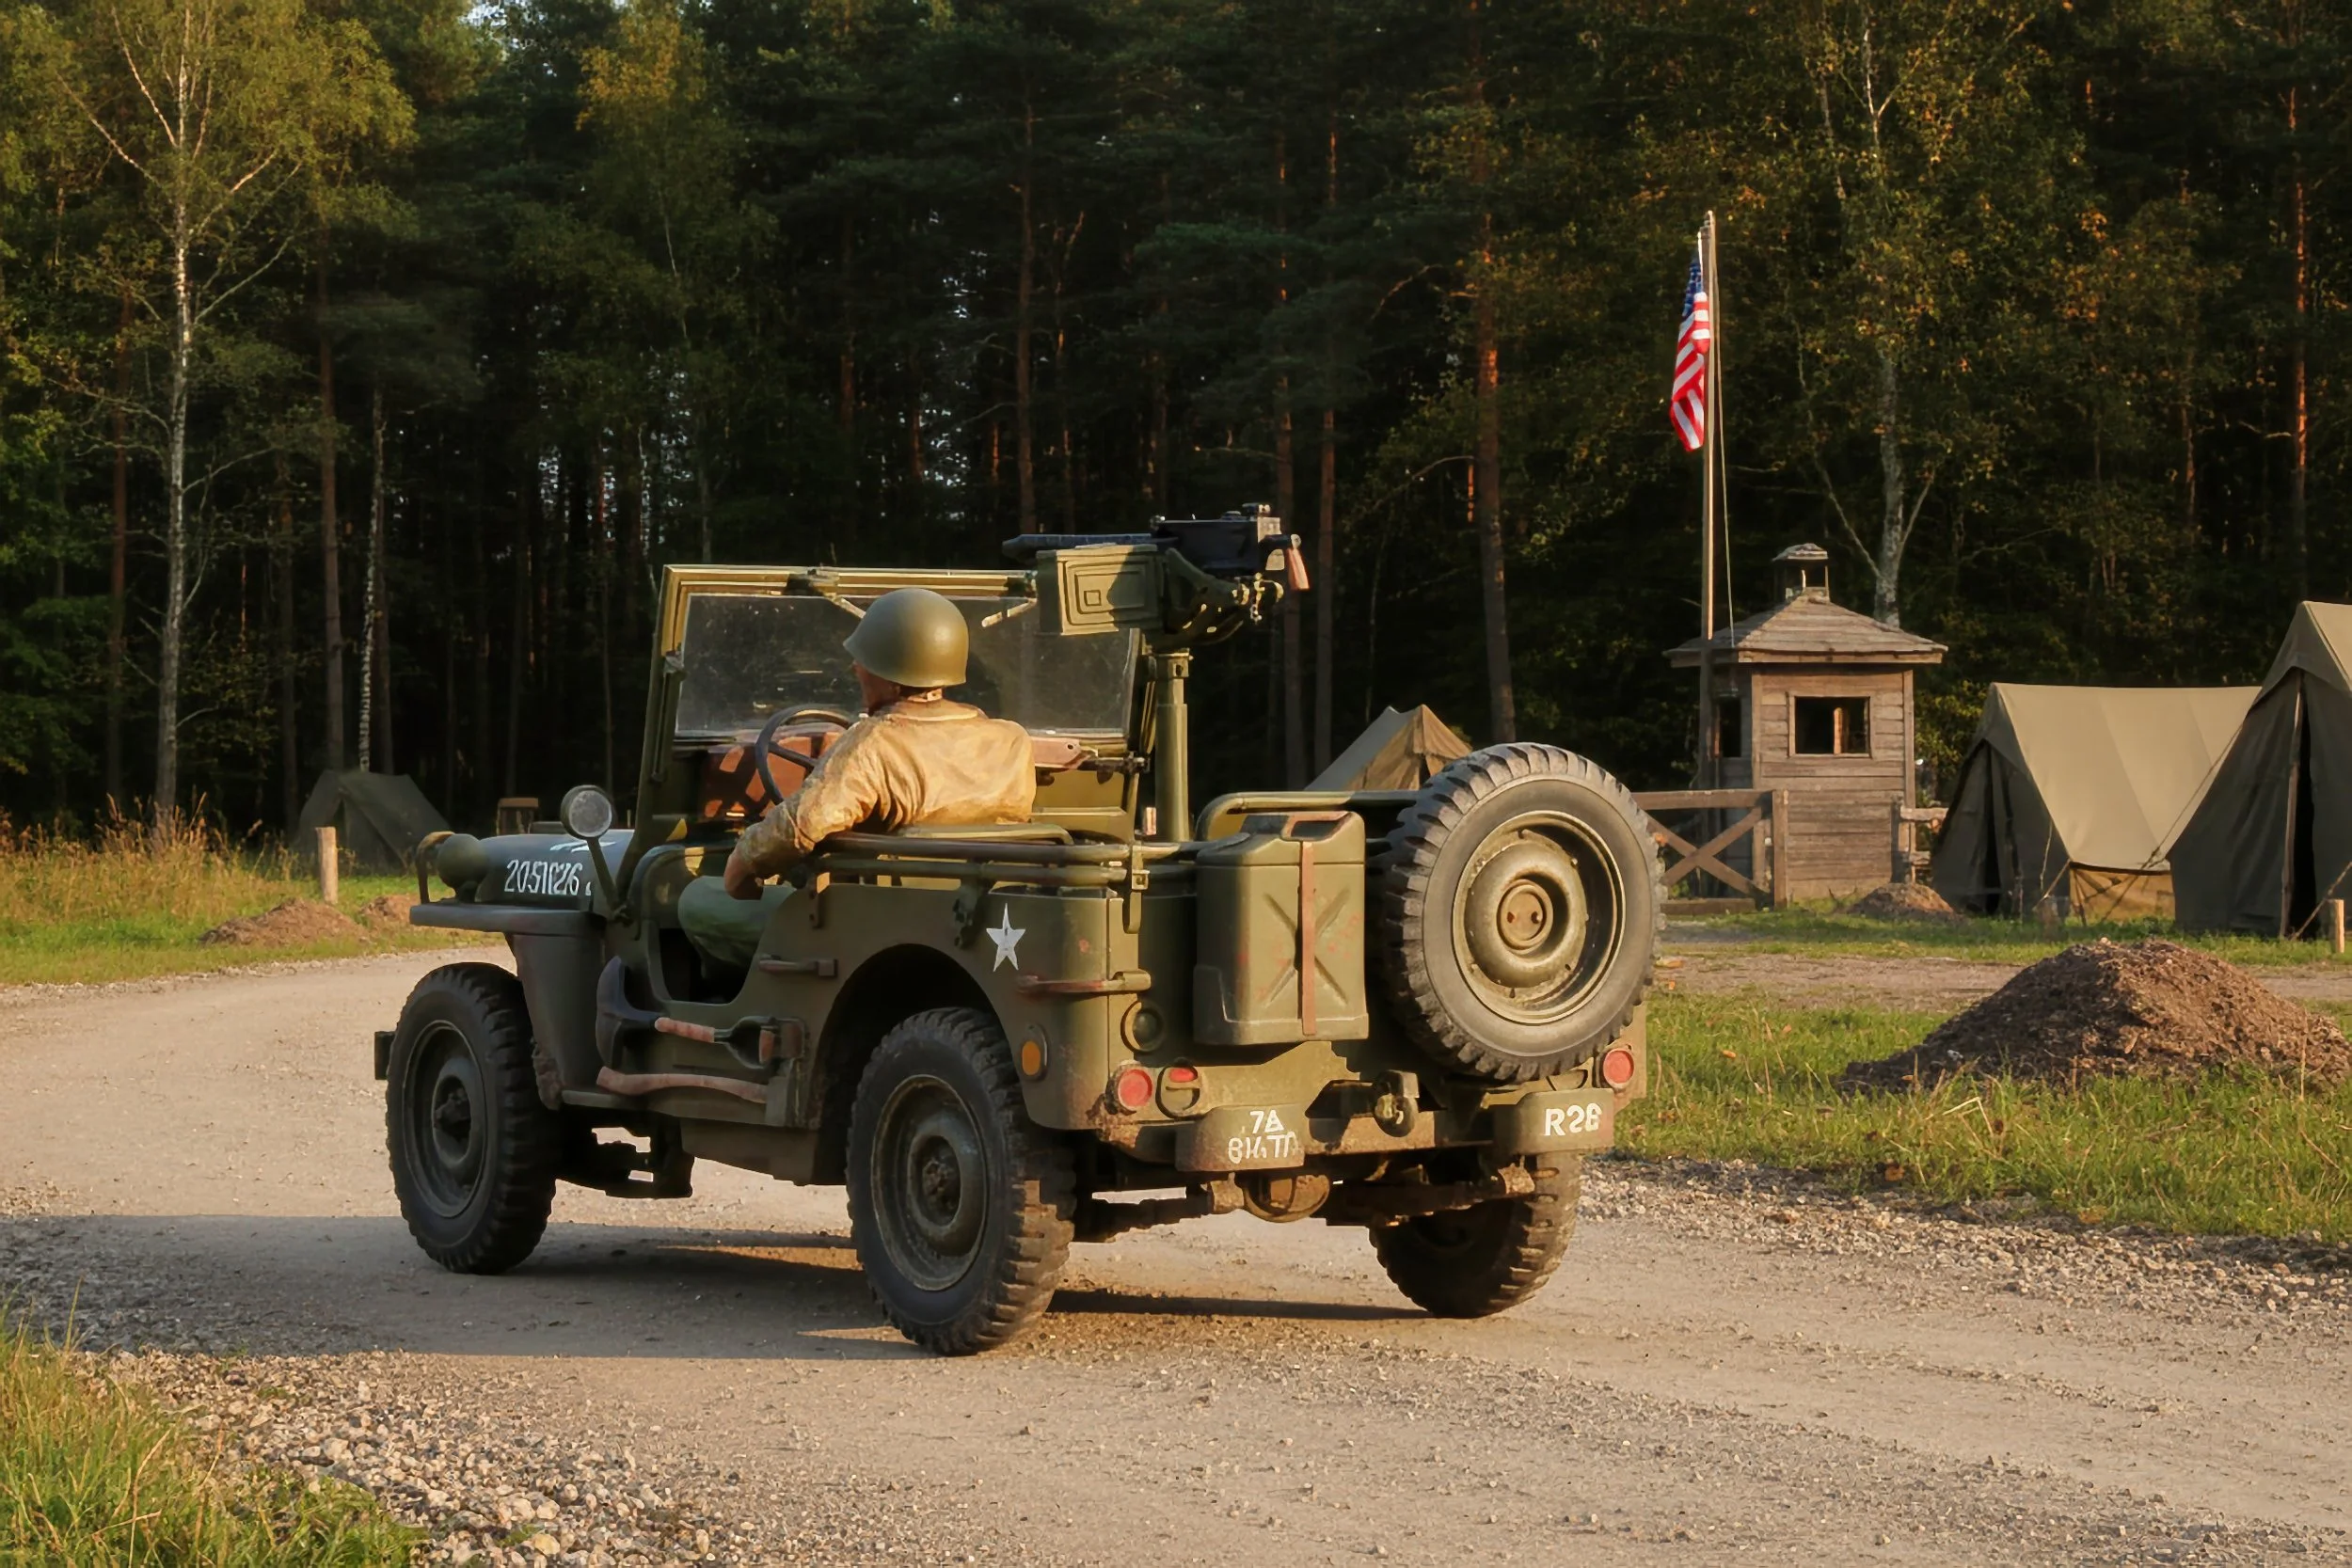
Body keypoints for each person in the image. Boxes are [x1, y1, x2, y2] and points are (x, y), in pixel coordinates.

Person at [677, 587, 1036, 972]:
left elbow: (801, 825)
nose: (856, 669)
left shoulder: (873, 743)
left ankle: (723, 1011)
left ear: (892, 677)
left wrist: (743, 863)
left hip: (873, 921)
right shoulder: (1010, 740)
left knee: (698, 900)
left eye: (865, 662)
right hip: (976, 910)